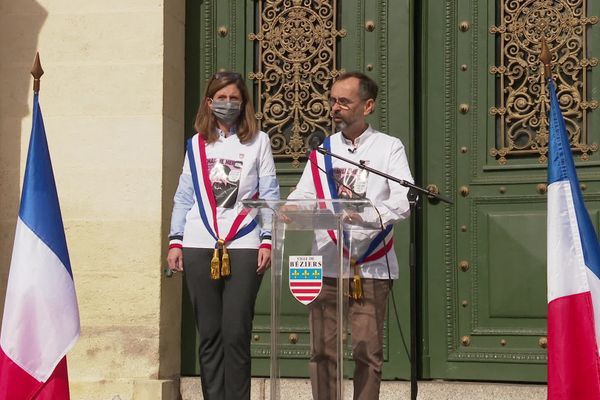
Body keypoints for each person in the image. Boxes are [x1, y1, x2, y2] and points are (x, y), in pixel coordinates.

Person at [287, 72, 413, 399]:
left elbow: (403, 199)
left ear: (367, 106)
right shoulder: (322, 149)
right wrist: (288, 209)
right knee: (322, 351)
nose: (335, 107)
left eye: (344, 101)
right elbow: (303, 194)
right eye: (333, 100)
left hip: (370, 267)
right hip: (326, 265)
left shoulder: (389, 147)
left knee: (366, 351)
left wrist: (368, 216)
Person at [166, 71, 279, 400]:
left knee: (236, 332)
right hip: (199, 243)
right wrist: (175, 240)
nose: (228, 103)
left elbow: (269, 193)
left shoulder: (259, 141)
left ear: (243, 103)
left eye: (234, 98)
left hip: (245, 242)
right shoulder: (197, 143)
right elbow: (184, 195)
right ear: (209, 101)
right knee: (211, 334)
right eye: (222, 97)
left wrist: (268, 238)